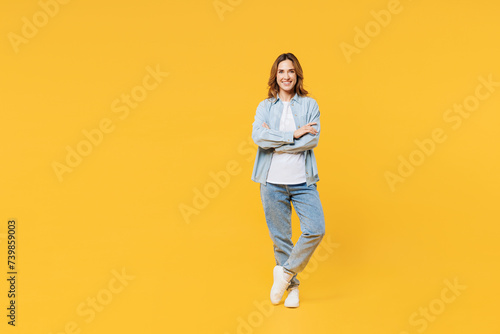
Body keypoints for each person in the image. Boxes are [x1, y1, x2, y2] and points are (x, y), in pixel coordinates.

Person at [251, 53, 326, 308]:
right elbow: (259, 137)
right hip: (272, 182)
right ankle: (292, 290)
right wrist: (293, 134)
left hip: (302, 182)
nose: (286, 76)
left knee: (315, 228)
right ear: (275, 76)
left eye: (291, 72)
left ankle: (283, 275)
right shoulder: (265, 106)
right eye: (281, 72)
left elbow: (312, 140)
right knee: (281, 238)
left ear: (297, 75)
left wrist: (278, 142)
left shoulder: (309, 105)